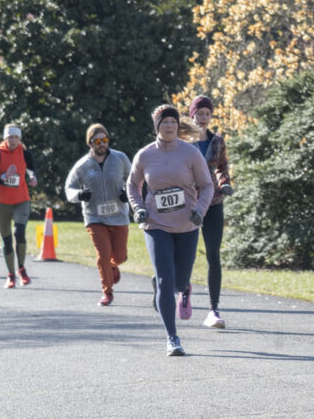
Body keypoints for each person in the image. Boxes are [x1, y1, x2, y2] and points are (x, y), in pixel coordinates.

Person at [127, 105, 213, 356]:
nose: (169, 126)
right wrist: (139, 208)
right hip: (156, 224)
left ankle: (175, 287)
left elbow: (207, 185)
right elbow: (133, 185)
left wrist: (200, 210)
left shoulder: (190, 153)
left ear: (178, 125)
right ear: (157, 126)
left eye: (173, 122)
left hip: (187, 223)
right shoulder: (144, 155)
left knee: (181, 282)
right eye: (164, 122)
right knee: (166, 279)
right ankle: (172, 337)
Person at [64, 124, 133, 306]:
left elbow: (133, 179)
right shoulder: (82, 165)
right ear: (90, 143)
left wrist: (128, 193)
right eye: (97, 141)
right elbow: (69, 188)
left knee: (120, 256)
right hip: (94, 217)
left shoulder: (120, 158)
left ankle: (113, 266)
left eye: (105, 140)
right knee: (102, 255)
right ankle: (107, 292)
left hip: (118, 215)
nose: (102, 144)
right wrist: (79, 195)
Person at [189, 95, 234, 329]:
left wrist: (224, 182)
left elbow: (222, 168)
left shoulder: (217, 142)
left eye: (207, 114)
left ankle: (213, 309)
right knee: (182, 254)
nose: (204, 118)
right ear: (192, 115)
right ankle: (180, 288)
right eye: (200, 113)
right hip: (188, 204)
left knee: (213, 255)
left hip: (214, 203)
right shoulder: (182, 142)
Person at [0, 124, 37, 288]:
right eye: (10, 137)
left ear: (19, 139)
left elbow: (31, 170)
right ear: (5, 138)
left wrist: (34, 177)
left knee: (19, 232)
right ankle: (11, 275)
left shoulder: (25, 154)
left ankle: (21, 269)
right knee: (6, 239)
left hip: (21, 200)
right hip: (1, 202)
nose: (13, 140)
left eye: (16, 137)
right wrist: (4, 177)